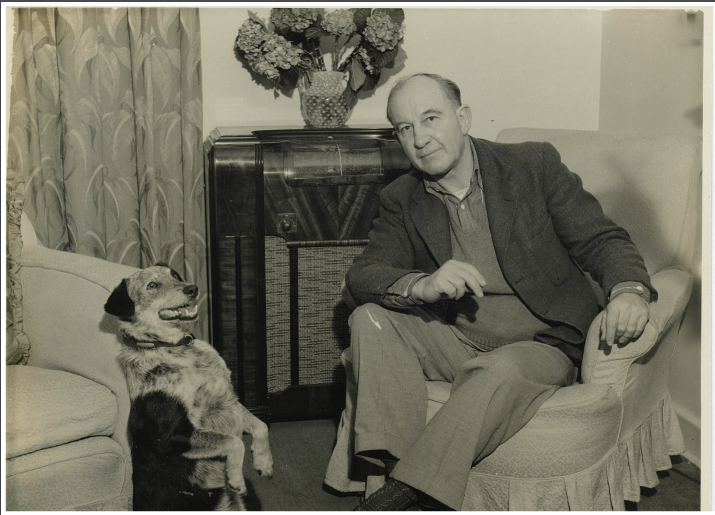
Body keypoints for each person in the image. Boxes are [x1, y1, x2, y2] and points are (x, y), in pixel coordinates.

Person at [342, 73, 656, 511]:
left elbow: (601, 239)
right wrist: (423, 285)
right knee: (367, 318)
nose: (420, 139)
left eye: (430, 118)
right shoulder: (402, 197)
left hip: (537, 343)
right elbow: (362, 277)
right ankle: (390, 470)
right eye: (405, 128)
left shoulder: (532, 166)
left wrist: (628, 290)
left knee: (498, 372)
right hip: (455, 336)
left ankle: (405, 495)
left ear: (463, 117)